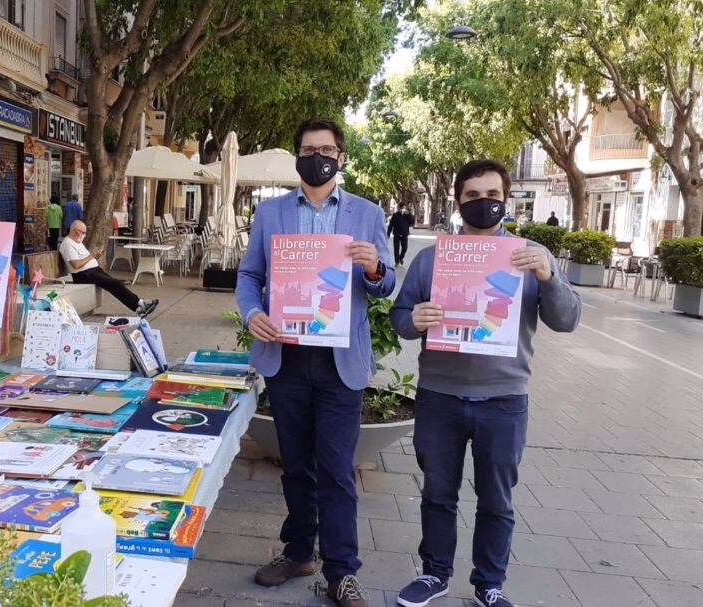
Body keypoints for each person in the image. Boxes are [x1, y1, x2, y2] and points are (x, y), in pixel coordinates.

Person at [389, 159, 581, 607]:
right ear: (458, 203)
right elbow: (401, 317)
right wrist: (412, 319)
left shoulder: (530, 255)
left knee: (497, 499)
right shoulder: (431, 258)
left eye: (492, 196)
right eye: (473, 196)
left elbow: (568, 319)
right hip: (440, 397)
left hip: (504, 400)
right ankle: (435, 573)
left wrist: (548, 278)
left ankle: (489, 583)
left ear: (505, 200)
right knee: (438, 493)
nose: (484, 204)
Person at [236, 118, 395, 607]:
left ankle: (342, 571)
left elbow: (386, 286)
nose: (317, 156)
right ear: (297, 156)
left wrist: (373, 267)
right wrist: (253, 312)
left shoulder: (368, 214)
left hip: (340, 362)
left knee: (337, 469)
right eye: (308, 149)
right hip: (285, 357)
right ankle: (299, 550)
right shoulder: (272, 213)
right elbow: (249, 275)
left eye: (326, 149)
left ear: (341, 157)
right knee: (297, 464)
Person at [60, 220, 158, 316]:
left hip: (92, 271)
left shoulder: (76, 241)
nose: (84, 235)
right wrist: (92, 256)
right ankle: (140, 304)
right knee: (114, 284)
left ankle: (138, 306)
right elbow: (76, 264)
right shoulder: (68, 244)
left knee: (115, 283)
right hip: (83, 274)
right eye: (83, 233)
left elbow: (83, 259)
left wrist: (94, 257)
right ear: (75, 231)